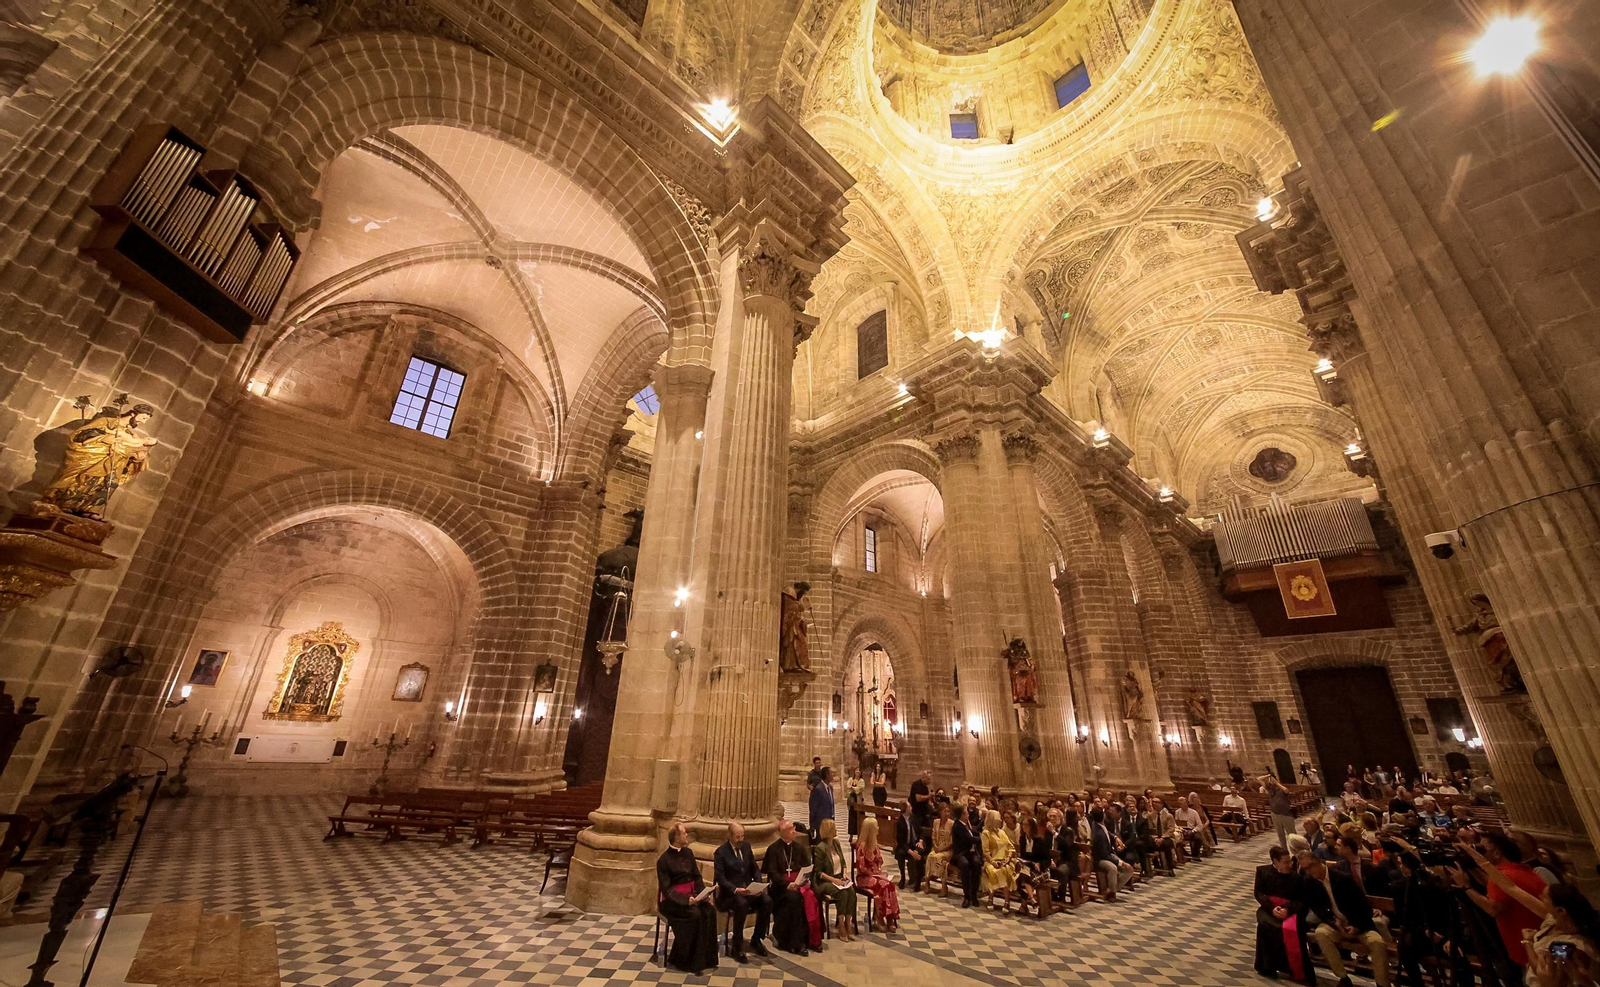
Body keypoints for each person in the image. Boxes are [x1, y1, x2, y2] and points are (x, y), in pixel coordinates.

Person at [1451, 831, 1547, 978]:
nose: (1477, 850)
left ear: (1496, 853)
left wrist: (1466, 887)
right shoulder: (1519, 870)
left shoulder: (1505, 876)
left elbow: (1492, 908)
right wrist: (1470, 866)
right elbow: (1495, 884)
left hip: (1530, 952)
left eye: (1481, 849)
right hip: (1539, 942)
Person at [1299, 850, 1392, 987]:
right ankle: (1343, 977)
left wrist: (1355, 926)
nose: (1308, 871)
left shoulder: (1342, 878)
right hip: (1336, 923)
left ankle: (1382, 984)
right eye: (1304, 868)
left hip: (1359, 924)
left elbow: (1364, 907)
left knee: (1377, 943)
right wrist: (1334, 922)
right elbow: (1317, 908)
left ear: (1318, 862)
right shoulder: (1309, 881)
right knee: (1321, 933)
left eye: (1310, 866)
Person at [656, 822, 718, 974]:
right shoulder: (663, 861)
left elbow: (696, 877)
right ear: (676, 837)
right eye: (684, 833)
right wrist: (685, 900)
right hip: (672, 902)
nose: (686, 835)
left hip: (693, 897)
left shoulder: (688, 853)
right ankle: (689, 962)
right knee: (695, 915)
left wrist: (704, 894)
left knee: (710, 911)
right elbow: (667, 889)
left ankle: (707, 959)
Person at [713, 822, 771, 963]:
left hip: (747, 890)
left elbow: (755, 869)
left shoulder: (746, 847)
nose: (740, 840)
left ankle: (756, 939)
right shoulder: (721, 853)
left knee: (767, 901)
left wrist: (758, 885)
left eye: (742, 836)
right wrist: (736, 889)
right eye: (737, 837)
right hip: (729, 894)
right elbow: (720, 878)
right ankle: (737, 946)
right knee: (741, 904)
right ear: (729, 836)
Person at [1254, 845, 1311, 982]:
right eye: (1285, 862)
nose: (1290, 865)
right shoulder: (1262, 871)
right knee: (1265, 927)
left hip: (1290, 911)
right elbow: (1259, 894)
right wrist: (1272, 908)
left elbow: (1301, 900)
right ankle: (1268, 966)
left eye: (1290, 861)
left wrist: (1287, 909)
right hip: (1268, 909)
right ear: (1275, 861)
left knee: (1288, 930)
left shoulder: (1296, 877)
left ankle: (1292, 968)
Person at [764, 820, 820, 955]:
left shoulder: (799, 848)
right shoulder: (773, 849)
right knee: (794, 899)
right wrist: (786, 884)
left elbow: (808, 868)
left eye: (794, 829)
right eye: (790, 829)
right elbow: (772, 873)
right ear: (782, 832)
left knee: (812, 895)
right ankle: (794, 942)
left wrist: (807, 881)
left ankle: (811, 939)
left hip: (798, 885)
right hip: (780, 889)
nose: (794, 831)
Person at [812, 818, 857, 941]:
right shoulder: (820, 848)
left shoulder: (836, 844)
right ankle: (841, 925)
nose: (836, 830)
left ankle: (849, 923)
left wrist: (844, 872)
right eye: (834, 828)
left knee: (851, 892)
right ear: (829, 831)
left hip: (839, 878)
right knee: (842, 893)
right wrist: (834, 880)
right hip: (825, 882)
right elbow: (819, 873)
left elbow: (842, 862)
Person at [855, 816, 900, 932]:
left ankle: (890, 917)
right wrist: (874, 873)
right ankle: (879, 917)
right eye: (876, 826)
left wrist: (878, 869)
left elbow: (879, 860)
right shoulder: (862, 846)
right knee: (883, 885)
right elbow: (861, 867)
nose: (878, 828)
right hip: (864, 877)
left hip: (875, 875)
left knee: (890, 885)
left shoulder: (875, 845)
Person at [1088, 806, 1132, 900]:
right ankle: (1112, 893)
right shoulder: (1098, 834)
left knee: (1129, 870)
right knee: (1113, 868)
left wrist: (1115, 837)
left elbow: (1106, 832)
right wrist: (1121, 863)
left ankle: (1111, 890)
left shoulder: (1097, 824)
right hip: (1100, 859)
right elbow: (1105, 855)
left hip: (1108, 854)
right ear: (1102, 815)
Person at [981, 808, 1022, 905]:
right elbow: (985, 852)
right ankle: (991, 899)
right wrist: (993, 862)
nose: (1000, 821)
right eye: (998, 819)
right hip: (991, 861)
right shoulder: (986, 833)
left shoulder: (1002, 832)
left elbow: (1011, 847)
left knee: (1006, 870)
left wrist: (1008, 858)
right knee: (995, 871)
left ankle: (1007, 901)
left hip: (1005, 861)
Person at [951, 802, 983, 908]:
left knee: (977, 863)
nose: (968, 815)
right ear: (962, 815)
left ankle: (974, 894)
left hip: (970, 852)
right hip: (961, 853)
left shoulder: (966, 824)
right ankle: (967, 896)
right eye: (966, 813)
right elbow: (970, 839)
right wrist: (982, 838)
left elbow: (972, 833)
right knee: (964, 864)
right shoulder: (957, 826)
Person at [893, 801, 923, 889]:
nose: (911, 808)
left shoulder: (914, 818)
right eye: (909, 807)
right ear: (905, 809)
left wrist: (920, 840)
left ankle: (917, 880)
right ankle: (903, 877)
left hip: (915, 843)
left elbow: (920, 831)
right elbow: (901, 841)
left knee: (919, 853)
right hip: (905, 846)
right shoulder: (900, 822)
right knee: (901, 853)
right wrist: (910, 852)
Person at [926, 802, 954, 891]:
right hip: (937, 847)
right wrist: (935, 846)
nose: (947, 813)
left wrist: (942, 849)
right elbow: (933, 836)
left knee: (939, 858)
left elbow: (952, 841)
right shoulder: (936, 822)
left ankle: (943, 886)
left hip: (947, 849)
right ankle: (927, 882)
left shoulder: (951, 823)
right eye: (945, 811)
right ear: (940, 812)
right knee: (930, 856)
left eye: (948, 811)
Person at [1266, 775, 1296, 849]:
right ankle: (1284, 851)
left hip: (1285, 814)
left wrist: (1276, 783)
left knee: (1292, 834)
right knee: (1280, 834)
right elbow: (1259, 779)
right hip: (1275, 814)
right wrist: (1268, 775)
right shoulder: (1270, 790)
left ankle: (1295, 850)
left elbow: (1286, 790)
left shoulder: (1281, 790)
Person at [1174, 796, 1205, 860]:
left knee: (1198, 838)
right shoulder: (1177, 812)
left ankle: (1195, 854)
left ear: (1186, 803)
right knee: (1175, 839)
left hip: (1192, 830)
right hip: (1182, 830)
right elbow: (1176, 823)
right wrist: (1180, 829)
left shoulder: (1194, 812)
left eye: (1181, 803)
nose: (1180, 805)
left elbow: (1200, 825)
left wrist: (1193, 831)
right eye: (1179, 803)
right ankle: (1185, 855)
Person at [809, 766, 835, 843]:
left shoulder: (830, 787)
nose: (833, 775)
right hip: (821, 823)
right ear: (827, 775)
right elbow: (813, 808)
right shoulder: (818, 789)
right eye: (831, 773)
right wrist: (812, 826)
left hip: (830, 821)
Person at [845, 767, 865, 838]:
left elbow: (859, 789)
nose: (858, 772)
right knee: (852, 818)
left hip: (859, 801)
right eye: (856, 770)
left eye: (859, 771)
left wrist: (852, 788)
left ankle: (860, 835)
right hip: (852, 801)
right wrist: (852, 788)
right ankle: (851, 835)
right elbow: (848, 786)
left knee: (859, 818)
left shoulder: (861, 781)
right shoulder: (851, 779)